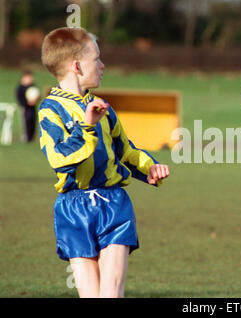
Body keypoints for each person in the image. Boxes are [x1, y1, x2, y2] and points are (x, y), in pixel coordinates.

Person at [38, 27, 170, 298]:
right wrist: (86, 126)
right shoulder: (50, 110)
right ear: (77, 66)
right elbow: (59, 158)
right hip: (73, 209)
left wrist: (149, 168)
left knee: (111, 294)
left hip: (113, 205)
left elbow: (125, 151)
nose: (102, 65)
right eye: (96, 59)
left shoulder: (103, 108)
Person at [16, 70, 41, 142]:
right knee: (25, 122)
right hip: (25, 108)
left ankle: (31, 138)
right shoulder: (20, 87)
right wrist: (27, 103)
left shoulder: (33, 86)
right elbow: (19, 98)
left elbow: (38, 95)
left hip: (32, 108)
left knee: (33, 122)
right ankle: (26, 138)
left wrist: (35, 101)